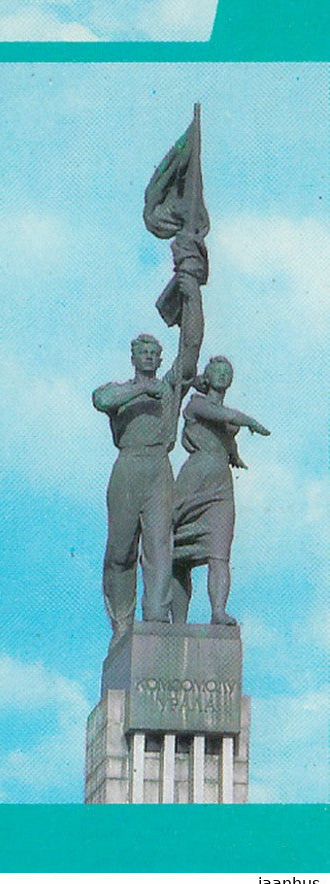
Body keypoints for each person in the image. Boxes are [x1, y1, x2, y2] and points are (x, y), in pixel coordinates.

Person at [92, 266, 203, 638]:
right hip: (128, 467)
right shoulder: (120, 390)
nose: (151, 357)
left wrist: (192, 297)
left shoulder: (168, 388)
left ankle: (155, 619)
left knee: (159, 547)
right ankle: (121, 624)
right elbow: (101, 400)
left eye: (155, 353)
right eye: (145, 352)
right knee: (121, 551)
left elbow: (190, 350)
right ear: (134, 357)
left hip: (158, 468)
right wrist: (142, 390)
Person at [171, 356, 269, 626]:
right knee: (177, 555)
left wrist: (234, 455)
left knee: (220, 552)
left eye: (228, 371)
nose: (223, 375)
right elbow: (224, 416)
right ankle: (178, 622)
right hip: (195, 479)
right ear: (207, 377)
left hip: (221, 485)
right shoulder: (197, 404)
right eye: (218, 371)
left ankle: (218, 611)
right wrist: (250, 422)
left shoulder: (225, 416)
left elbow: (226, 438)